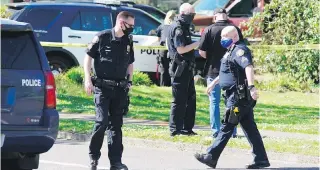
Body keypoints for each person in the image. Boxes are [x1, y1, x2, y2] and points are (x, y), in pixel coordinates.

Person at [194, 26, 270, 169]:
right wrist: (213, 84)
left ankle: (211, 156)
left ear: (234, 37)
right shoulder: (230, 51)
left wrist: (252, 87)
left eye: (225, 37)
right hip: (237, 98)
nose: (222, 39)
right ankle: (261, 159)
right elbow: (226, 72)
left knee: (228, 124)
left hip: (238, 98)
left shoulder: (240, 50)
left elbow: (248, 67)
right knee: (250, 128)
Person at [83, 11, 135, 170]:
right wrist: (87, 78)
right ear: (121, 22)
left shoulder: (128, 40)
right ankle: (93, 157)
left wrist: (130, 81)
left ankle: (116, 162)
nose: (132, 28)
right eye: (130, 25)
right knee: (101, 122)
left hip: (120, 89)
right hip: (102, 88)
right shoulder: (102, 37)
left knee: (116, 126)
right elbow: (88, 57)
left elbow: (130, 62)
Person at [198, 8, 244, 138]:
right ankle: (232, 130)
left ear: (215, 16)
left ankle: (216, 131)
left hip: (213, 71)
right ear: (226, 15)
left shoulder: (208, 30)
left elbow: (201, 52)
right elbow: (241, 48)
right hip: (233, 73)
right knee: (233, 103)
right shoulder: (234, 30)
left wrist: (212, 58)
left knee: (214, 102)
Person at [167, 3, 200, 137]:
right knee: (179, 100)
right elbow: (181, 49)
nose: (192, 17)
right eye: (191, 14)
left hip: (187, 68)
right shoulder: (178, 28)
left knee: (190, 99)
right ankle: (175, 129)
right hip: (179, 69)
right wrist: (196, 44)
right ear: (183, 13)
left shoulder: (185, 27)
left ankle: (187, 128)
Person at [156, 10, 176, 86]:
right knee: (173, 68)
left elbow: (158, 39)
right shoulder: (175, 27)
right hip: (172, 49)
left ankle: (163, 85)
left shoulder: (162, 26)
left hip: (163, 49)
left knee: (163, 69)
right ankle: (172, 85)